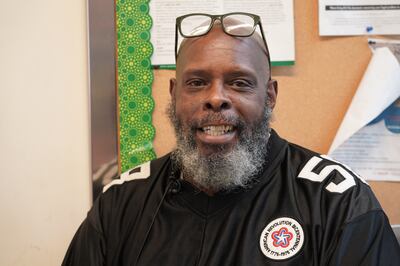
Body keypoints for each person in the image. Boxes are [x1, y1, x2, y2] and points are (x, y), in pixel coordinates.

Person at [63, 13, 400, 265]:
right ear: (173, 95)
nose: (216, 98)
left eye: (239, 82)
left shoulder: (338, 203)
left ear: (269, 96)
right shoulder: (122, 203)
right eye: (196, 83)